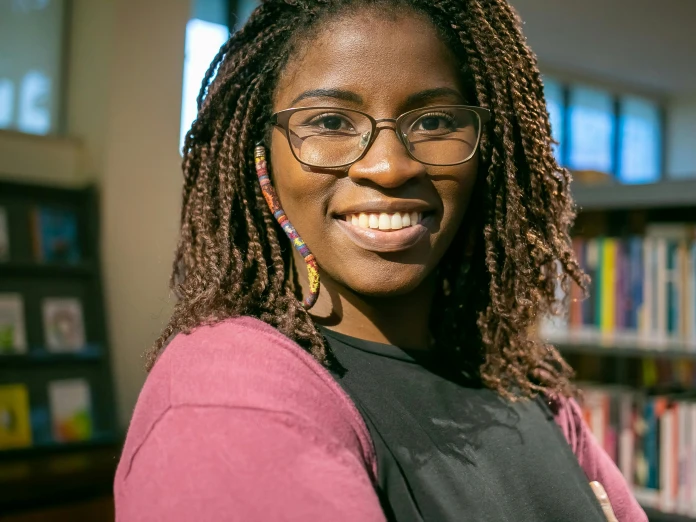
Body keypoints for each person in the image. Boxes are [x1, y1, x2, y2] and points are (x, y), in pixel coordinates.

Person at [114, 0, 648, 520]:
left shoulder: (527, 387)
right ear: (261, 157)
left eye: (435, 121)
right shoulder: (230, 388)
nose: (390, 167)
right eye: (329, 121)